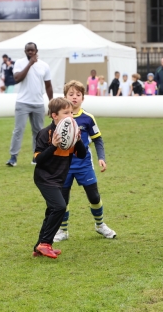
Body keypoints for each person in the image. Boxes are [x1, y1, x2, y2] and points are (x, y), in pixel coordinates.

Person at [53, 80, 117, 242]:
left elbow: (98, 139)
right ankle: (62, 230)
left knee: (94, 196)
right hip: (64, 166)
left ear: (83, 98)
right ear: (65, 97)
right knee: (63, 199)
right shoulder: (59, 118)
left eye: (78, 94)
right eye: (71, 94)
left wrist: (101, 157)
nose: (74, 98)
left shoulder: (88, 118)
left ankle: (100, 225)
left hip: (84, 164)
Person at [32, 97, 87, 258]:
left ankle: (39, 246)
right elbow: (38, 159)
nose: (70, 116)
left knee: (52, 210)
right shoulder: (45, 133)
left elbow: (82, 155)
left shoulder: (71, 133)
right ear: (54, 115)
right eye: (66, 113)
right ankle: (45, 243)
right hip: (45, 177)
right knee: (59, 207)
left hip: (59, 178)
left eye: (71, 112)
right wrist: (53, 146)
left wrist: (77, 141)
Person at [6, 42, 53, 167]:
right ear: (25, 51)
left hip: (38, 103)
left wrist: (51, 103)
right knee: (18, 130)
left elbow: (48, 86)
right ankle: (13, 157)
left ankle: (36, 156)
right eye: (28, 50)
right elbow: (17, 79)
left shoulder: (44, 65)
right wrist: (30, 64)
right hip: (23, 102)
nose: (30, 52)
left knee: (38, 132)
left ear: (36, 51)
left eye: (32, 50)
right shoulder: (20, 63)